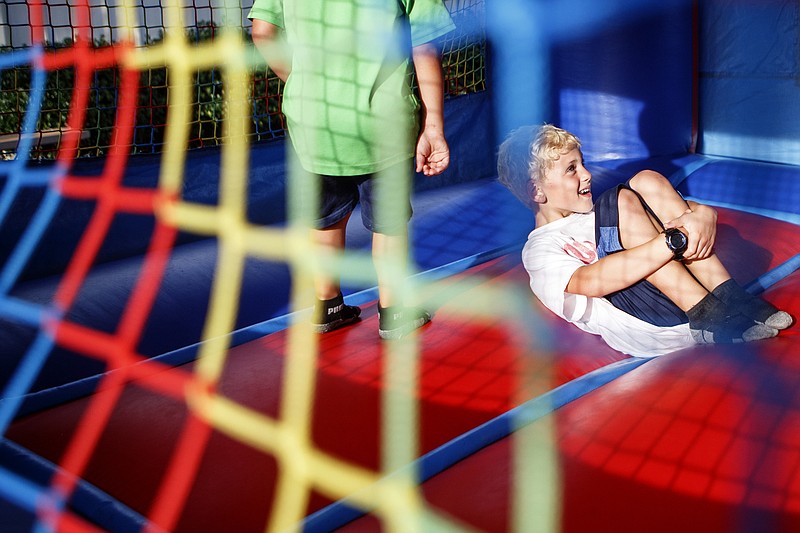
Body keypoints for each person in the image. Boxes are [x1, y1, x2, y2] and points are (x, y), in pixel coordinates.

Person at [249, 0, 455, 339]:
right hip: (383, 123)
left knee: (325, 218)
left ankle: (327, 305)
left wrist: (297, 79)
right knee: (388, 224)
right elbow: (424, 45)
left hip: (316, 122)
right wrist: (433, 125)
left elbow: (262, 31)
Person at [497, 124, 792, 357]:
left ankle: (730, 296)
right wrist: (669, 242)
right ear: (536, 191)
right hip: (647, 322)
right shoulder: (539, 249)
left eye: (582, 163)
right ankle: (705, 312)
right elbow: (589, 281)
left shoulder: (601, 213)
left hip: (684, 300)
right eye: (571, 169)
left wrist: (703, 215)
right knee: (621, 198)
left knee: (646, 180)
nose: (587, 175)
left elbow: (685, 214)